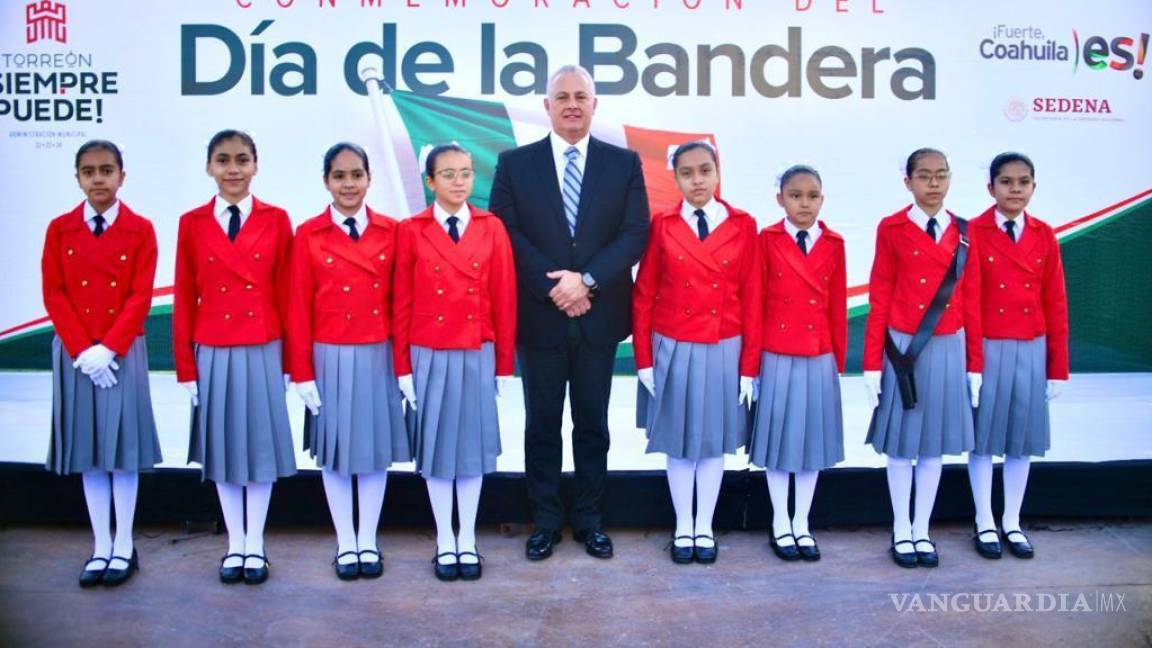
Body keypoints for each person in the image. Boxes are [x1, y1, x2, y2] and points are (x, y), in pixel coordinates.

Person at [489, 64, 650, 561]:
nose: (573, 104)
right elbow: (505, 231)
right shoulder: (515, 164)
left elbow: (634, 232)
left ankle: (589, 520)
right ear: (547, 106)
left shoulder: (623, 165)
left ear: (595, 103)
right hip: (541, 316)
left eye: (582, 95)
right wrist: (554, 285)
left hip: (599, 317)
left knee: (592, 424)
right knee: (541, 424)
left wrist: (588, 281)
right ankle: (546, 522)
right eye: (563, 96)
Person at [173, 129, 296, 585]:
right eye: (223, 160)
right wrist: (186, 365)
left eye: (242, 159)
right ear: (209, 167)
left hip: (264, 344)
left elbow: (287, 293)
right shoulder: (192, 222)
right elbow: (185, 295)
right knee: (223, 450)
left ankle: (256, 543)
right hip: (214, 348)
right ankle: (234, 543)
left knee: (259, 448)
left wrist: (289, 362)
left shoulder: (277, 219)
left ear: (255, 165)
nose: (233, 169)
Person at [393, 144, 517, 581]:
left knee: (471, 450)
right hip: (429, 350)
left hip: (475, 350)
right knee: (437, 450)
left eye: (465, 172)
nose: (459, 181)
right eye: (448, 174)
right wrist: (403, 367)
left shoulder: (491, 227)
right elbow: (402, 303)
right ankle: (445, 537)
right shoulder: (411, 230)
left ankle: (468, 538)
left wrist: (503, 363)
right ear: (429, 181)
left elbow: (504, 297)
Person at [632, 142, 760, 564]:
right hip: (673, 344)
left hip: (723, 345)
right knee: (677, 443)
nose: (697, 180)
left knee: (711, 444)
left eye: (705, 170)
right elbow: (644, 295)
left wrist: (749, 367)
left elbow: (753, 297)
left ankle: (704, 526)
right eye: (687, 173)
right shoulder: (663, 224)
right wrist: (645, 360)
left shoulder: (743, 224)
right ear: (676, 178)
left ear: (718, 171)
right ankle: (682, 525)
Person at [41, 139, 162, 587]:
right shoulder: (59, 229)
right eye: (89, 171)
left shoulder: (140, 229)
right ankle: (100, 545)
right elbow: (54, 292)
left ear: (121, 176)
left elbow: (140, 294)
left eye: (106, 170)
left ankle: (125, 545)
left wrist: (108, 349)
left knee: (122, 453)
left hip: (122, 351)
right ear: (78, 178)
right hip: (76, 355)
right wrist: (82, 350)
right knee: (91, 454)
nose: (98, 179)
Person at [288, 142, 410, 580]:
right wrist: (301, 371)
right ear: (326, 181)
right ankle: (345, 542)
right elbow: (297, 306)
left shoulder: (392, 230)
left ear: (369, 178)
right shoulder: (308, 233)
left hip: (377, 351)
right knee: (335, 454)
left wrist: (402, 367)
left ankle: (368, 540)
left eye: (356, 174)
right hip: (329, 355)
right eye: (339, 176)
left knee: (374, 453)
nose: (348, 184)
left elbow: (401, 305)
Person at [863, 148, 983, 569]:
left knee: (933, 447)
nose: (934, 184)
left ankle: (922, 529)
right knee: (901, 447)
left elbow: (971, 300)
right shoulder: (892, 228)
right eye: (925, 176)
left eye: (942, 175)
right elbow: (880, 294)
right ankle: (900, 528)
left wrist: (975, 363)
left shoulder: (964, 231)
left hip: (950, 345)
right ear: (908, 181)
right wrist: (872, 361)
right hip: (903, 349)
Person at [967, 152, 1068, 560]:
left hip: (1031, 345)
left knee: (1021, 442)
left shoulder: (1044, 234)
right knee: (984, 440)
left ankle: (1012, 520)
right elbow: (969, 301)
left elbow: (1055, 302)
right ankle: (984, 520)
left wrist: (1056, 368)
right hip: (990, 345)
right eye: (1006, 182)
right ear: (990, 188)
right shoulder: (972, 231)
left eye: (1023, 182)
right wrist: (972, 362)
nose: (1015, 189)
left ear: (1033, 187)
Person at [748, 165, 847, 563]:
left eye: (812, 196)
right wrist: (752, 365)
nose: (804, 203)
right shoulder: (767, 239)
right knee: (778, 442)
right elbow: (755, 303)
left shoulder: (834, 242)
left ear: (822, 198)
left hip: (819, 353)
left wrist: (837, 360)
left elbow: (837, 306)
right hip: (777, 351)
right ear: (780, 199)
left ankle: (802, 522)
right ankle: (779, 522)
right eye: (795, 195)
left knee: (811, 443)